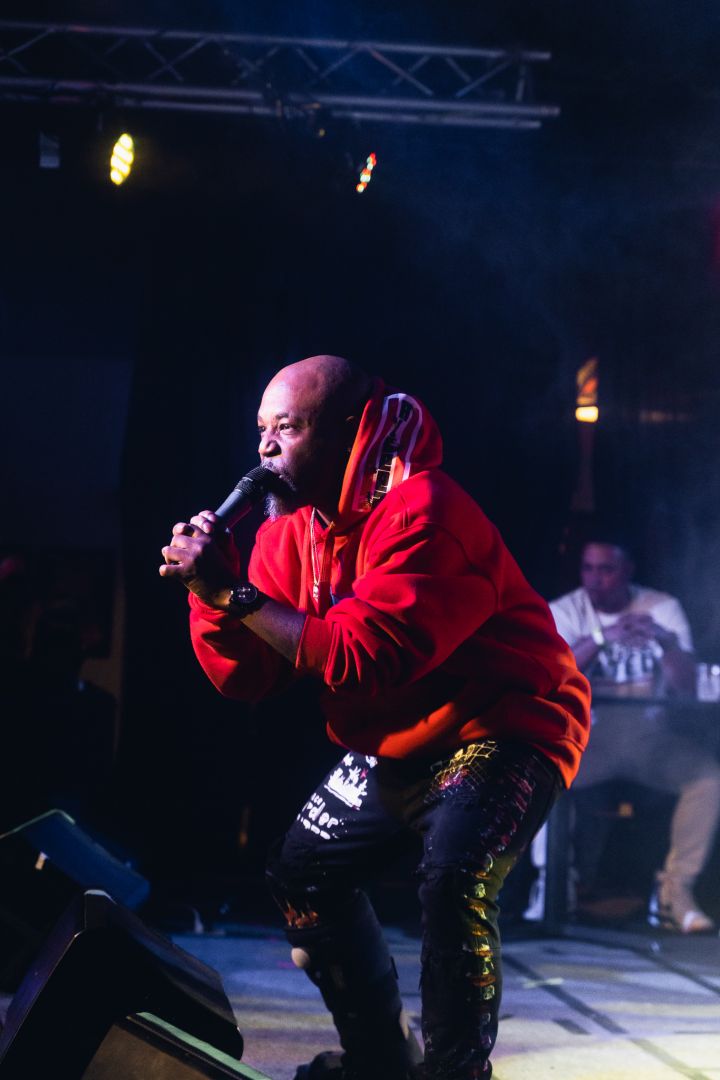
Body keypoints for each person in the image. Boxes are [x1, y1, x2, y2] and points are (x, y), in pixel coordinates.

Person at [160, 354, 591, 1080]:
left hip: (505, 724)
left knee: (454, 879)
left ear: (351, 432)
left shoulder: (425, 511)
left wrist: (235, 595)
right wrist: (213, 598)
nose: (266, 446)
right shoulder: (289, 533)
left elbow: (363, 659)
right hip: (400, 738)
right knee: (302, 873)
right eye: (261, 430)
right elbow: (249, 676)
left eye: (288, 427)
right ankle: (380, 1062)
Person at [548, 538, 720, 933]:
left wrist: (665, 641)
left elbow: (687, 686)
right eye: (588, 568)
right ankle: (553, 887)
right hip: (588, 739)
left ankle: (675, 892)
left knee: (707, 779)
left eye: (606, 570)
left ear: (627, 571)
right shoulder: (566, 610)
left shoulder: (661, 607)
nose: (596, 579)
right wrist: (603, 637)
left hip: (648, 737)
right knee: (539, 775)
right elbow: (556, 676)